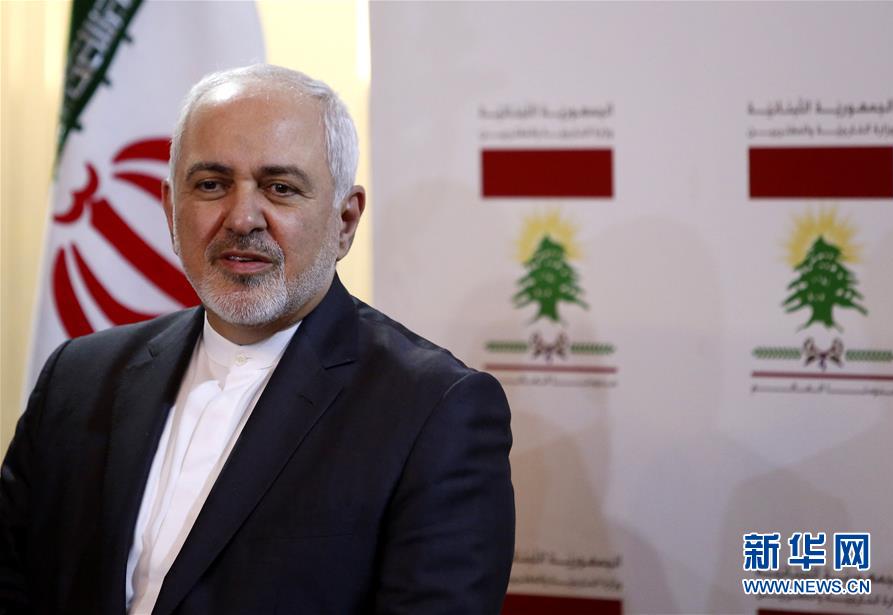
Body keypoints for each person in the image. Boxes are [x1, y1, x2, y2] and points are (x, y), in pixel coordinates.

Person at [0, 64, 515, 614]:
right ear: (171, 209)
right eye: (211, 184)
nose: (242, 218)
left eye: (280, 188)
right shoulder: (78, 376)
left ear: (344, 221)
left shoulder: (434, 410)